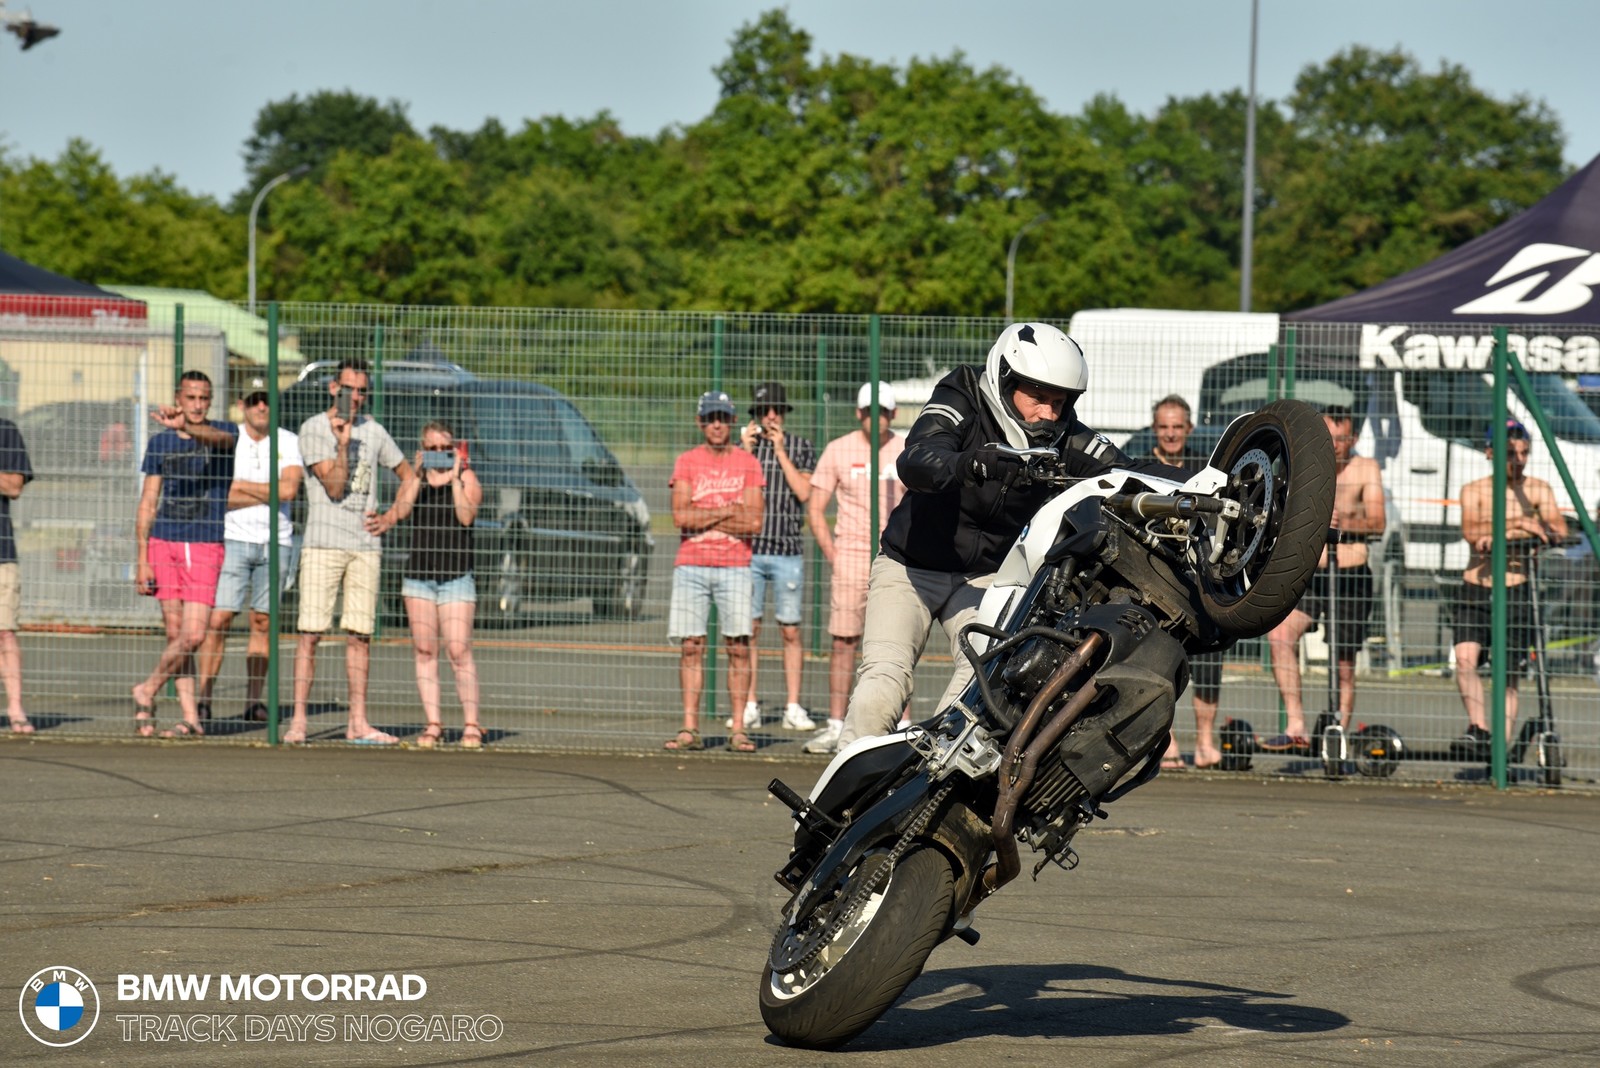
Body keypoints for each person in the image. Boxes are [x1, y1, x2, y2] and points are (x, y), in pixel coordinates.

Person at [835, 322, 1175, 752]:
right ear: (1005, 380)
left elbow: (1129, 471)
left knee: (977, 693)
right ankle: (836, 802)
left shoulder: (1067, 436)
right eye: (1037, 397)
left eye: (1059, 401)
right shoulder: (962, 392)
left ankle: (924, 788)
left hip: (984, 580)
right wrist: (974, 463)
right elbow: (918, 457)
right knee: (883, 683)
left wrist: (1210, 483)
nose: (1048, 413)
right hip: (910, 566)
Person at [285, 358, 414, 746]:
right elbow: (336, 486)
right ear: (332, 388)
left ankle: (358, 721)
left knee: (360, 634)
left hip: (364, 546)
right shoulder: (312, 429)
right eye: (348, 389)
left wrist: (391, 517)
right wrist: (342, 443)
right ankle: (299, 720)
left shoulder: (374, 431)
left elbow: (409, 475)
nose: (354, 397)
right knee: (310, 633)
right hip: (324, 543)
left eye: (361, 391)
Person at [1263, 404, 1386, 750]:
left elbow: (1377, 522)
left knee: (1343, 661)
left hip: (1350, 574)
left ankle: (1338, 734)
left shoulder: (1365, 469)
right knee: (1280, 636)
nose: (1336, 447)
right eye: (1329, 439)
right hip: (1312, 573)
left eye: (1342, 440)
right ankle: (1296, 724)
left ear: (1355, 438)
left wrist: (1343, 525)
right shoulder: (1309, 470)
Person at [131, 370, 238, 739]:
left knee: (194, 634)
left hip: (205, 542)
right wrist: (142, 555)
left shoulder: (224, 433)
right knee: (176, 634)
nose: (197, 404)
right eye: (191, 397)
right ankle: (190, 717)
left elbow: (220, 439)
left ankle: (146, 689)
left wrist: (189, 429)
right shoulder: (160, 444)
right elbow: (148, 502)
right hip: (164, 542)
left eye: (203, 398)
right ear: (179, 398)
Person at [802, 381, 905, 754]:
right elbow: (815, 508)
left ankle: (900, 725)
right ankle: (835, 725)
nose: (874, 418)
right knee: (844, 641)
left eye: (882, 411)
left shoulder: (906, 450)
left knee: (896, 645)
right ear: (858, 413)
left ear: (892, 414)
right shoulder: (838, 449)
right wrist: (835, 553)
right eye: (868, 411)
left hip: (894, 559)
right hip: (849, 556)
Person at [1452, 419, 1566, 752]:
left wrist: (1508, 531)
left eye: (1524, 453)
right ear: (1490, 453)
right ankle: (1480, 728)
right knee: (1465, 659)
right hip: (1476, 586)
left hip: (1517, 589)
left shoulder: (1538, 490)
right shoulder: (1474, 490)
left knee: (1508, 672)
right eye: (1510, 453)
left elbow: (1557, 530)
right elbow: (1474, 535)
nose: (1518, 460)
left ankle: (1499, 750)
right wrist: (1521, 523)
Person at [664, 390, 764, 753]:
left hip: (735, 565)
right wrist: (728, 511)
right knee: (692, 645)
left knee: (738, 646)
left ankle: (738, 728)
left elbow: (754, 521)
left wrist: (703, 513)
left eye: (722, 417)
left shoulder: (748, 464)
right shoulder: (687, 461)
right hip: (691, 564)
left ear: (732, 420)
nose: (717, 424)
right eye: (710, 417)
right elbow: (680, 516)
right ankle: (689, 727)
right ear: (700, 422)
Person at [196, 388, 304, 723]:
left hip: (276, 542)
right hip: (232, 539)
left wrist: (244, 487)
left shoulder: (288, 441)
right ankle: (203, 698)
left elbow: (288, 490)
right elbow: (221, 495)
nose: (261, 405)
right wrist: (267, 493)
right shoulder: (230, 438)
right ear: (242, 404)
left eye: (267, 399)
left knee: (263, 621)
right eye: (254, 399)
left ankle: (253, 701)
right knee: (219, 620)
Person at [387, 421, 485, 749]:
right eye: (432, 449)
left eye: (446, 449)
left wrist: (456, 477)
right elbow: (400, 511)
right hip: (420, 578)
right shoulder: (417, 479)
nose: (439, 455)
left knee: (458, 649)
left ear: (455, 450)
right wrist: (415, 475)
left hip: (456, 577)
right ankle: (433, 723)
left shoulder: (467, 479)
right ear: (422, 450)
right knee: (425, 650)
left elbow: (466, 516)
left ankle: (471, 724)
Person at [734, 381, 817, 733]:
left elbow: (804, 492)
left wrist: (781, 451)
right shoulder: (745, 450)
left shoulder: (799, 446)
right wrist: (744, 450)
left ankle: (792, 706)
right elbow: (734, 493)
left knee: (790, 630)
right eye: (764, 411)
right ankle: (749, 703)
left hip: (787, 550)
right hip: (749, 549)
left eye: (776, 410)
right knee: (748, 629)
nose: (770, 417)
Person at [1148, 395, 1223, 769]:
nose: (1171, 434)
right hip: (1154, 574)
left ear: (1189, 429)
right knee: (1164, 659)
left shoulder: (1204, 469)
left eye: (1177, 427)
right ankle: (1168, 741)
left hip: (1199, 575)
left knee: (1209, 660)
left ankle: (1206, 743)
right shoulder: (1141, 466)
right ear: (1154, 429)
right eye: (1164, 427)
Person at [0, 416, 34, 734]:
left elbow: (13, 485)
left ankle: (15, 709)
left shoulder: (5, 431)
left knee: (5, 632)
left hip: (1, 553)